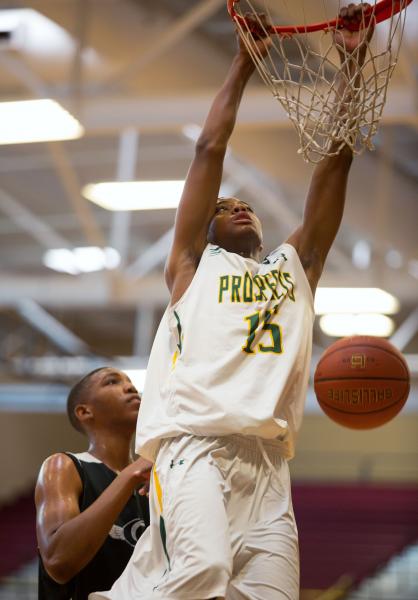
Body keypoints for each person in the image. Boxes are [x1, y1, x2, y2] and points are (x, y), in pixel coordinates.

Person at [91, 5, 374, 599]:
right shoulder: (193, 268)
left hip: (269, 465)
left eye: (244, 205)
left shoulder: (296, 268)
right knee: (204, 572)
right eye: (222, 207)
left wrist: (353, 65)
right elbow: (208, 149)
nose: (236, 206)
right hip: (194, 449)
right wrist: (245, 63)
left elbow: (338, 159)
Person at [35, 367, 152, 600]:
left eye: (130, 382)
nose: (130, 387)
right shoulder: (65, 465)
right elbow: (58, 561)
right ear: (84, 411)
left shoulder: (153, 477)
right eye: (111, 382)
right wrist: (130, 475)